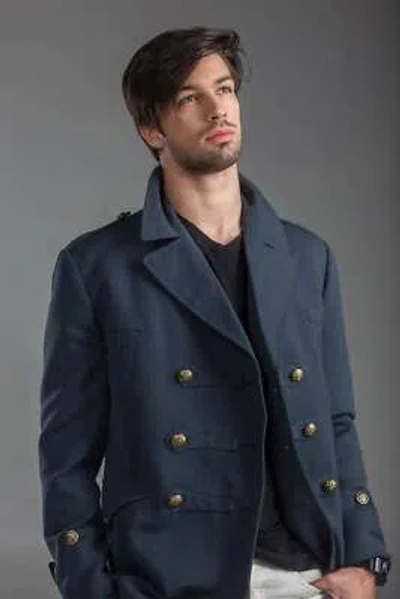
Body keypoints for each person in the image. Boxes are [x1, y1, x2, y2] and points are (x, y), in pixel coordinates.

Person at [38, 27, 391, 599]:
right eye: (189, 97)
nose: (217, 108)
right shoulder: (97, 266)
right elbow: (65, 455)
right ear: (152, 129)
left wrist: (366, 559)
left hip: (308, 575)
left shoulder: (307, 257)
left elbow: (336, 423)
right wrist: (91, 588)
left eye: (224, 89)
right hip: (171, 579)